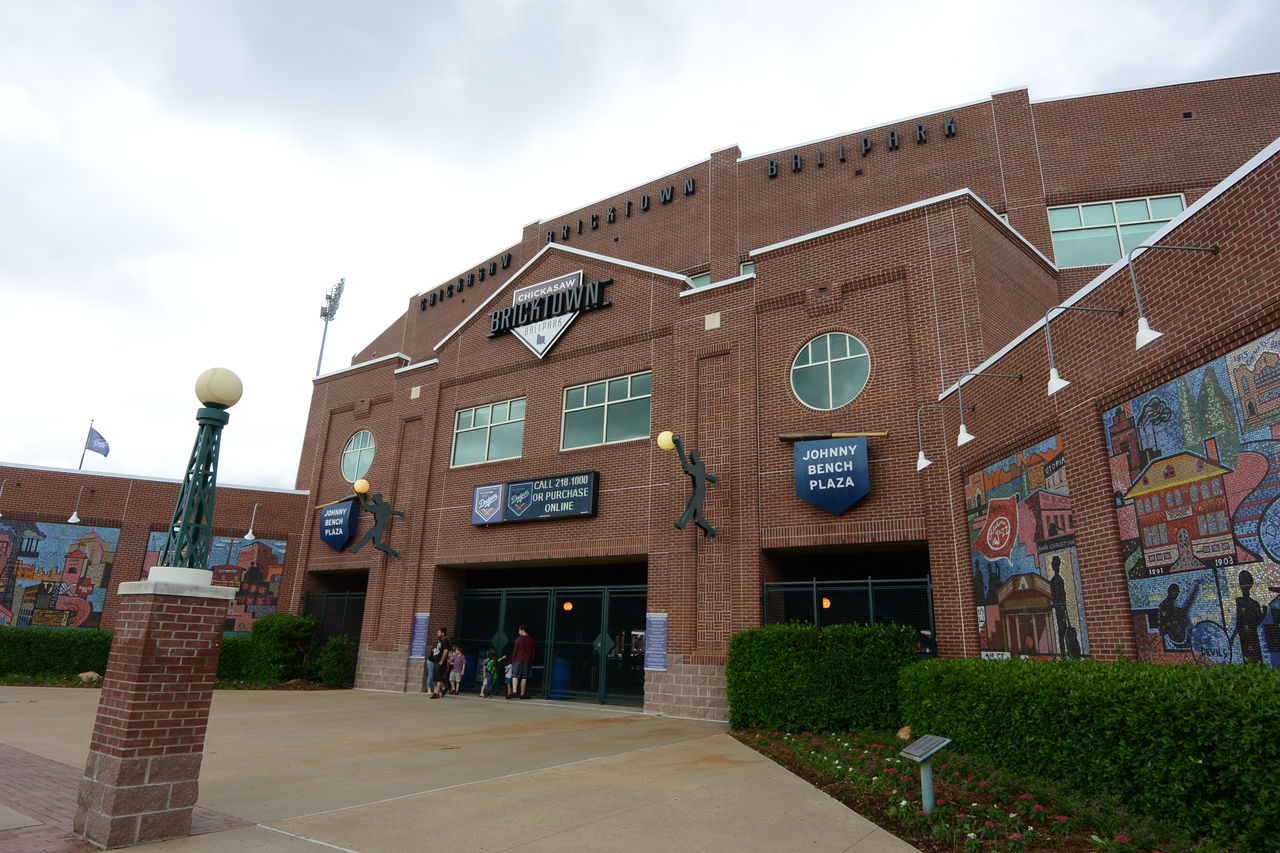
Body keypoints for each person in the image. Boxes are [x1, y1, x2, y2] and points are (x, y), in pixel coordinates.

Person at [508, 624, 534, 699]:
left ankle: (514, 692)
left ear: (522, 630)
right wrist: (531, 661)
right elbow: (532, 652)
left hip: (517, 659)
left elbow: (515, 650)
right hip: (527, 660)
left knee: (515, 675)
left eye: (519, 630)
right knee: (524, 677)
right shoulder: (531, 640)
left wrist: (513, 659)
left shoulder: (518, 639)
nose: (518, 632)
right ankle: (522, 694)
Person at [429, 627, 452, 698]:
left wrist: (442, 660)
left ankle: (437, 693)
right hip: (436, 660)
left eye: (438, 632)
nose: (437, 634)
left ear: (443, 633)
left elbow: (445, 651)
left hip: (440, 662)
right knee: (436, 676)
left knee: (439, 677)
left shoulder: (446, 641)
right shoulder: (440, 641)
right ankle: (444, 688)